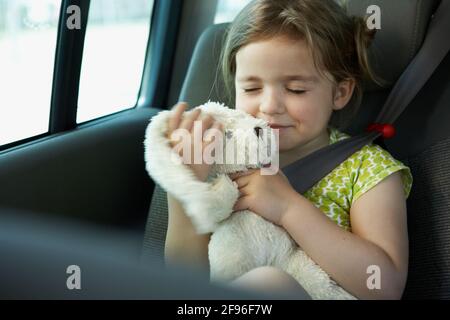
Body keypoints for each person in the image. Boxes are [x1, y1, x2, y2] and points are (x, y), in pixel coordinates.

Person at [164, 0, 412, 300]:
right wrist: (185, 192)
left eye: (296, 90)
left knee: (269, 284)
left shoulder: (367, 168)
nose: (269, 106)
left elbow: (385, 287)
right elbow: (185, 286)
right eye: (252, 89)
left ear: (340, 92)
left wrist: (288, 207)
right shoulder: (223, 162)